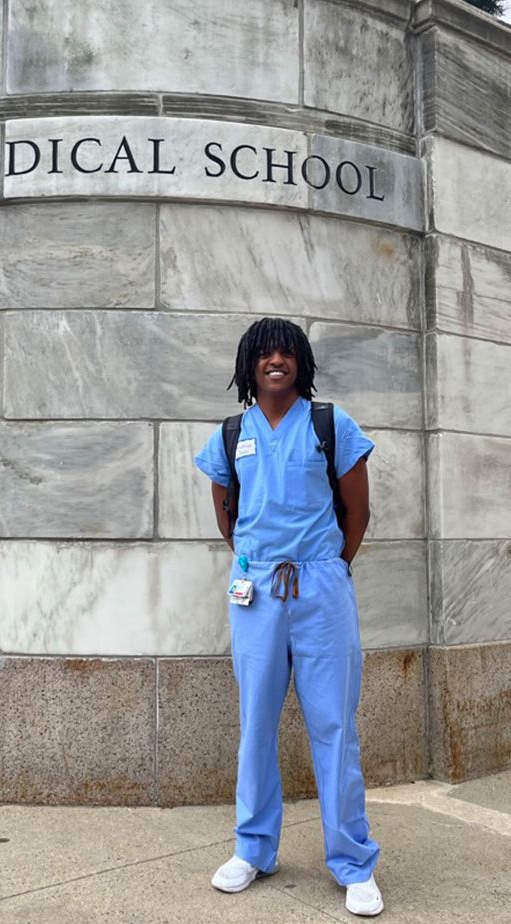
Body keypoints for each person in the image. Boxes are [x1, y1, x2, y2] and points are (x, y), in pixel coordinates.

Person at [194, 317, 383, 917]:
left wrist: (326, 567)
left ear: (301, 361)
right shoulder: (232, 434)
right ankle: (253, 849)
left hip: (321, 586)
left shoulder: (331, 425)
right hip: (256, 587)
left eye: (287, 351)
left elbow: (358, 511)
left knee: (334, 725)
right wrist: (259, 564)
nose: (276, 359)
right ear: (249, 365)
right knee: (256, 723)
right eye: (264, 353)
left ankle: (353, 863)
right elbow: (227, 518)